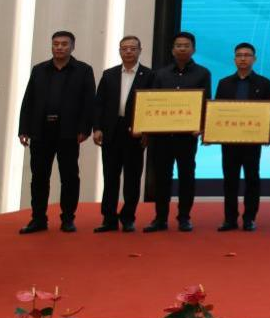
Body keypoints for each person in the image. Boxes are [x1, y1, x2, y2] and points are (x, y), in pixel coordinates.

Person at [17, 30, 96, 234]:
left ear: (72, 47)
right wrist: (24, 129)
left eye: (64, 44)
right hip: (40, 132)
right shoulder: (39, 69)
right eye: (56, 44)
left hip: (69, 133)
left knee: (69, 177)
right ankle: (38, 219)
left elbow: (89, 103)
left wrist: (85, 129)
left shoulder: (83, 70)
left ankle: (68, 219)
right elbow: (28, 101)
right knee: (39, 177)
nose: (59, 47)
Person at [145, 31, 211, 233]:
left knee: (186, 177)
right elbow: (151, 103)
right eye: (178, 45)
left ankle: (184, 217)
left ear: (193, 49)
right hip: (161, 136)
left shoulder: (203, 73)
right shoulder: (160, 74)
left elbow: (206, 103)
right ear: (172, 50)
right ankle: (160, 218)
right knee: (161, 178)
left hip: (187, 136)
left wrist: (202, 127)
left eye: (186, 45)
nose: (182, 49)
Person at [92, 34, 151, 233]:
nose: (128, 52)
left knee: (132, 178)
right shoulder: (109, 74)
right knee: (110, 177)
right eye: (124, 48)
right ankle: (108, 219)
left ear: (140, 51)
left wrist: (147, 132)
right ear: (119, 51)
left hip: (135, 133)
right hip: (111, 131)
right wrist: (97, 128)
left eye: (133, 48)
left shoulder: (149, 75)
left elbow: (152, 107)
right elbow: (98, 104)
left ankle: (128, 218)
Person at [213, 42, 270, 231]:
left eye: (247, 55)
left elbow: (269, 111)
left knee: (252, 179)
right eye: (239, 55)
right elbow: (217, 111)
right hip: (229, 140)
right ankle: (230, 219)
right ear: (234, 59)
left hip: (252, 141)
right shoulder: (224, 83)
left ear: (254, 59)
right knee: (230, 180)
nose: (243, 59)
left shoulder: (264, 83)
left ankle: (249, 218)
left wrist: (267, 131)